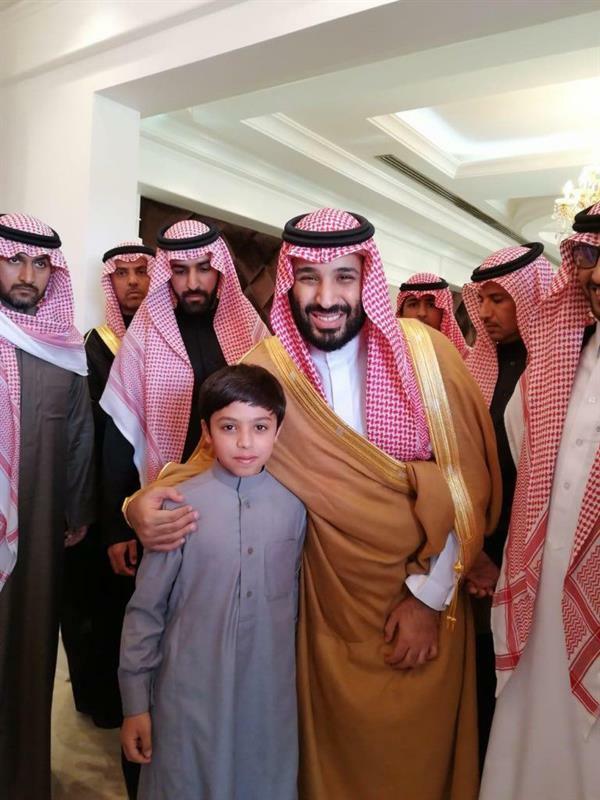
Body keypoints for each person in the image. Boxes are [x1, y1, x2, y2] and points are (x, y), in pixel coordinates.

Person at [125, 209, 501, 800]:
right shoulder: (266, 368)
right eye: (309, 278)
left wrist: (428, 599)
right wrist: (137, 507)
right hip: (321, 615)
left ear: (366, 279)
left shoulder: (428, 358)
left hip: (420, 603)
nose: (326, 298)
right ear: (289, 282)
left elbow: (463, 486)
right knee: (324, 764)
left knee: (412, 767)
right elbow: (206, 463)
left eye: (344, 277)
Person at [100, 219, 267, 798]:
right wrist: (119, 522)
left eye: (203, 269)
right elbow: (119, 434)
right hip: (165, 516)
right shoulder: (146, 334)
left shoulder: (251, 333)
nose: (193, 282)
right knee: (155, 636)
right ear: (165, 274)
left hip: (241, 516)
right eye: (180, 271)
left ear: (220, 272)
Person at [120, 364, 306, 800]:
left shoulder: (296, 507)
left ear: (278, 431)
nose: (245, 442)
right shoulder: (178, 508)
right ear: (206, 432)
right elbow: (145, 612)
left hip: (268, 699)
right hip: (187, 697)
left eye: (260, 427)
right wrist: (135, 704)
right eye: (229, 427)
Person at [480, 203, 600, 800]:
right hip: (544, 575)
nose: (596, 274)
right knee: (534, 722)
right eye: (591, 257)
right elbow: (520, 442)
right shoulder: (564, 351)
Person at [0, 213, 95, 800]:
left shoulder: (64, 347)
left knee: (30, 646)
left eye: (40, 263)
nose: (27, 274)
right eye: (14, 259)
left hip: (37, 527)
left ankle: (21, 778)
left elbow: (80, 434)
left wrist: (77, 510)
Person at [460, 243, 553, 764]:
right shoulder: (475, 368)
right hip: (479, 546)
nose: (488, 312)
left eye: (500, 299)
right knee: (483, 670)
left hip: (539, 545)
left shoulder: (558, 364)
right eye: (483, 300)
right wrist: (476, 551)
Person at [61, 241, 155, 727]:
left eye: (142, 271)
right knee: (98, 606)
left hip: (153, 491)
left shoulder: (167, 343)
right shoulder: (91, 346)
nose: (133, 281)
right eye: (123, 273)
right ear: (110, 282)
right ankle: (104, 704)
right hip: (100, 495)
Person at [396, 271, 471, 358]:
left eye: (431, 305)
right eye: (413, 305)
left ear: (444, 313)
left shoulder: (467, 359)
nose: (422, 313)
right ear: (401, 313)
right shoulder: (389, 354)